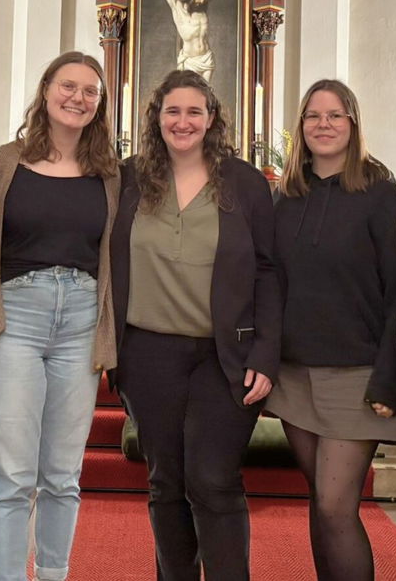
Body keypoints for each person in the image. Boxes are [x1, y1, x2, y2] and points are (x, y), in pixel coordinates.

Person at [109, 70, 280, 581]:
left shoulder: (245, 181)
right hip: (146, 354)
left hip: (223, 356)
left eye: (194, 112)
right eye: (172, 111)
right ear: (156, 118)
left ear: (211, 119)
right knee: (165, 481)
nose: (183, 122)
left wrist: (266, 354)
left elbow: (269, 271)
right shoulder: (128, 178)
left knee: (213, 479)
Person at [0, 51, 120, 581]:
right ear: (46, 90)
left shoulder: (110, 174)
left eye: (90, 91)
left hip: (81, 321)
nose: (78, 98)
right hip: (16, 318)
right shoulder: (1, 162)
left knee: (62, 473)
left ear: (100, 104)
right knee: (12, 472)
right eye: (68, 86)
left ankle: (54, 573)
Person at [266, 79, 396, 581]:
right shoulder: (284, 197)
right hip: (293, 371)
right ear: (300, 127)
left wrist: (389, 377)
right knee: (320, 500)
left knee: (334, 504)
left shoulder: (379, 195)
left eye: (335, 116)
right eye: (313, 116)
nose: (323, 125)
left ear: (353, 125)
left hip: (357, 372)